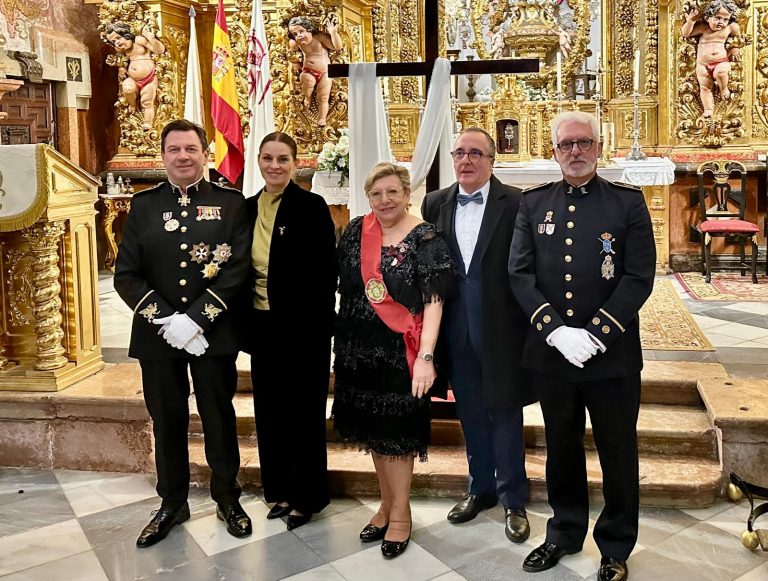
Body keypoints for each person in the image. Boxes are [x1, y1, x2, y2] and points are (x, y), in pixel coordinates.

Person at [508, 111, 656, 581]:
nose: (575, 151)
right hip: (554, 355)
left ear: (598, 147)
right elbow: (520, 273)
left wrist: (597, 332)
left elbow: (638, 276)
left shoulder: (627, 203)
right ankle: (564, 532)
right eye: (566, 144)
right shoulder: (533, 204)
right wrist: (554, 330)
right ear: (554, 150)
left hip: (611, 356)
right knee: (562, 447)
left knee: (617, 450)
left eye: (584, 143)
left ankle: (615, 545)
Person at [114, 119, 252, 547]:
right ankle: (172, 502)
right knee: (166, 420)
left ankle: (228, 496)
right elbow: (126, 275)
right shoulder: (144, 206)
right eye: (174, 150)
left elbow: (237, 268)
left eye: (191, 149)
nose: (183, 157)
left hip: (212, 333)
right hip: (158, 337)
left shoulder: (231, 204)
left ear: (205, 153)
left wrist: (195, 319)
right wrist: (167, 320)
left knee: (218, 414)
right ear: (163, 156)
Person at [333, 162, 454, 558]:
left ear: (406, 193)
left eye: (392, 192)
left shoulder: (426, 238)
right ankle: (386, 506)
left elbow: (434, 303)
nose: (384, 200)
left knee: (396, 438)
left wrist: (426, 357)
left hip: (401, 354)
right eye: (376, 194)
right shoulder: (356, 230)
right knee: (375, 434)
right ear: (368, 197)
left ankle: (401, 515)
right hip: (358, 350)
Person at [421, 128, 535, 544]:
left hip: (502, 329)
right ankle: (479, 488)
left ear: (491, 160)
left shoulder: (518, 203)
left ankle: (514, 499)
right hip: (456, 328)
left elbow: (525, 267)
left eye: (475, 153)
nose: (466, 160)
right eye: (460, 153)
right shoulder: (435, 203)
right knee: (470, 413)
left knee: (505, 413)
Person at [244, 132, 337, 531]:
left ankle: (308, 496)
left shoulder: (311, 206)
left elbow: (325, 272)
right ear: (259, 162)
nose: (275, 166)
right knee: (270, 411)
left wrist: (313, 325)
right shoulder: (245, 209)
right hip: (262, 326)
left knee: (304, 413)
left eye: (283, 159)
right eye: (268, 158)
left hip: (304, 330)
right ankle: (278, 489)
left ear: (295, 163)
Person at [681, 0, 741, 117]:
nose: (721, 22)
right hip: (702, 65)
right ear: (707, 17)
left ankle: (724, 88)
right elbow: (685, 33)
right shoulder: (703, 28)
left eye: (725, 19)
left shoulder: (729, 28)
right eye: (717, 18)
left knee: (721, 72)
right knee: (705, 88)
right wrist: (690, 22)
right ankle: (708, 109)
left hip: (721, 61)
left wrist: (735, 48)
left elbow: (739, 39)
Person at [105, 22, 166, 130]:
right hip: (133, 79)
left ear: (126, 33)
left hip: (149, 78)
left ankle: (148, 123)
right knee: (127, 89)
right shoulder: (121, 49)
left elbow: (160, 50)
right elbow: (122, 61)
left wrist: (150, 38)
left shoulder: (139, 40)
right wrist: (119, 65)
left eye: (118, 38)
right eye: (113, 41)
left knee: (147, 101)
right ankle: (132, 104)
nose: (117, 43)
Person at [287, 15, 342, 126]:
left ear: (309, 29)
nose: (299, 36)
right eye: (295, 34)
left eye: (301, 31)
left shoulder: (319, 37)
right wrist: (295, 63)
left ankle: (322, 118)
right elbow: (291, 54)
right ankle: (307, 96)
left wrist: (333, 33)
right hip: (308, 70)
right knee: (307, 80)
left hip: (325, 72)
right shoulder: (296, 43)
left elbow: (337, 47)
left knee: (323, 96)